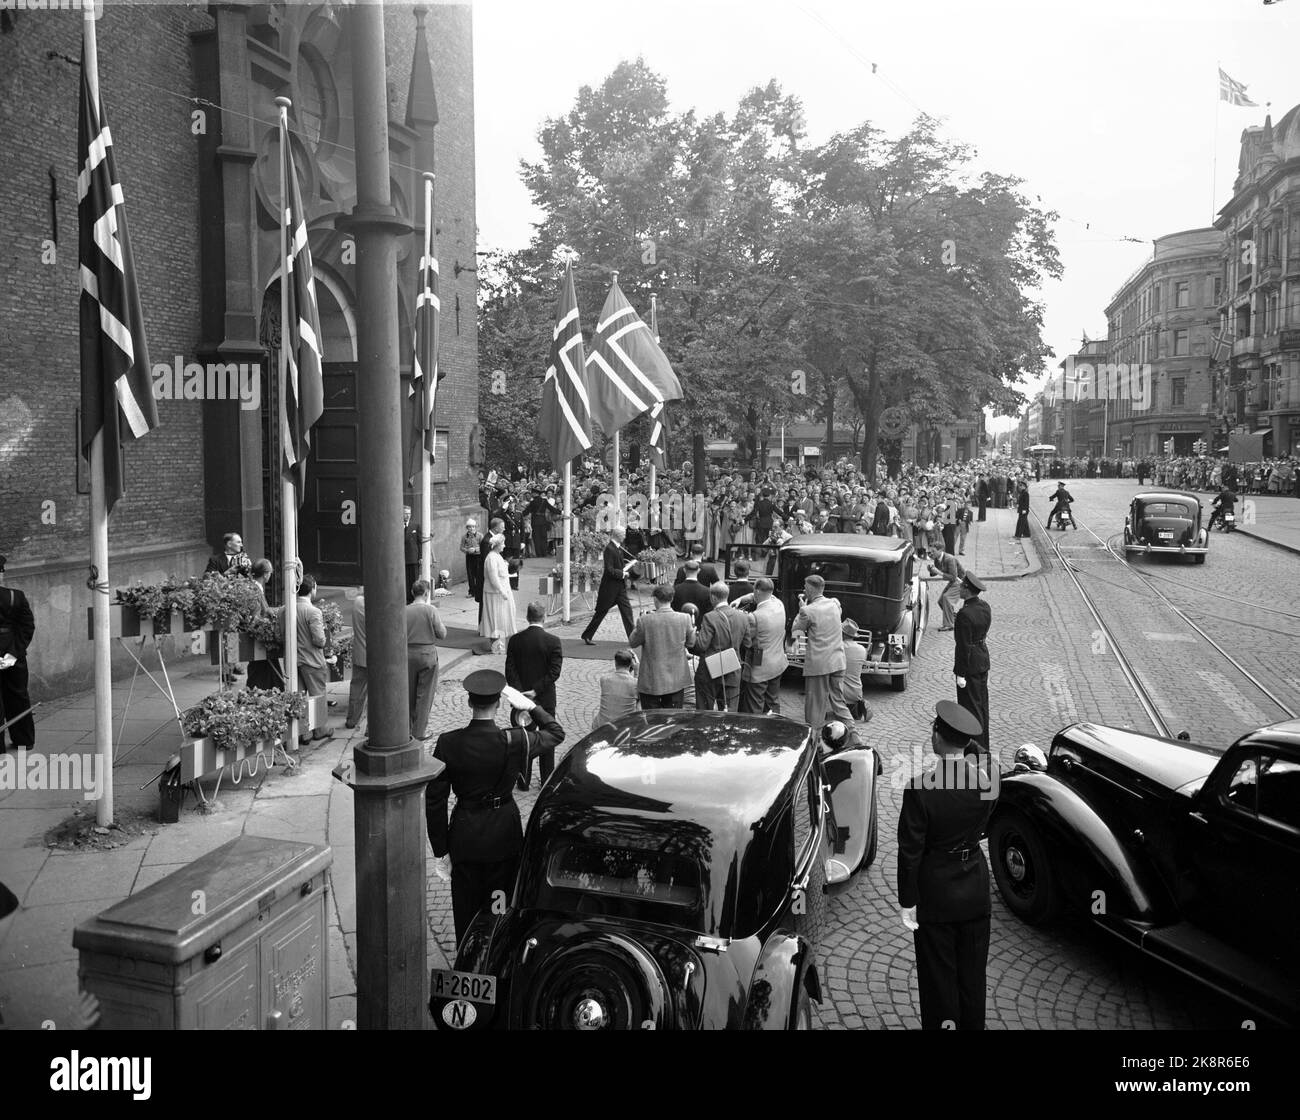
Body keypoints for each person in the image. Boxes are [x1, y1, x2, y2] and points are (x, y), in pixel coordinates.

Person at [425, 670, 565, 945]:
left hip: (465, 836)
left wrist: (441, 850)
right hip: (504, 834)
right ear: (500, 704)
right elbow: (556, 733)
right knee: (499, 908)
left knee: (465, 910)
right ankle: (494, 956)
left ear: (469, 703)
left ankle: (466, 962)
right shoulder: (515, 740)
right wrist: (533, 707)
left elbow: (435, 800)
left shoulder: (448, 743)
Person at [897, 700, 995, 1030]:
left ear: (937, 738)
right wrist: (967, 737)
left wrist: (907, 901)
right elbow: (984, 757)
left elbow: (910, 851)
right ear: (966, 742)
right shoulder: (987, 783)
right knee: (972, 978)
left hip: (936, 895)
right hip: (975, 889)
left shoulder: (919, 789)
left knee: (939, 981)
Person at [505, 601, 563, 789]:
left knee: (523, 740)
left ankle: (523, 780)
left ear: (527, 617)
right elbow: (554, 672)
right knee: (547, 739)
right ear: (544, 617)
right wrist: (536, 690)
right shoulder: (553, 641)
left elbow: (510, 670)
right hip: (545, 698)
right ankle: (547, 779)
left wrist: (521, 693)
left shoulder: (515, 640)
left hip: (521, 698)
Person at [791, 574, 855, 727]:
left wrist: (800, 609)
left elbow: (796, 630)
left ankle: (815, 739)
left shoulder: (807, 610)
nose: (804, 591)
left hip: (819, 665)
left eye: (805, 588)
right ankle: (854, 734)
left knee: (815, 706)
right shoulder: (834, 604)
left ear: (811, 589)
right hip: (838, 661)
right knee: (839, 702)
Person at [629, 584, 695, 708]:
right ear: (672, 599)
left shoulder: (645, 620)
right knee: (672, 720)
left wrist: (639, 622)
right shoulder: (685, 618)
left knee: (652, 719)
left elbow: (633, 642)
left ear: (655, 599)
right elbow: (691, 643)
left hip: (651, 679)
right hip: (676, 679)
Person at [0, 555, 36, 754]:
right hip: (14, 652)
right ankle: (24, 740)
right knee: (18, 696)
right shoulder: (16, 596)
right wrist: (12, 655)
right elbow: (27, 627)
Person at [691, 582, 745, 712]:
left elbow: (701, 646)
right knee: (730, 714)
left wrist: (693, 636)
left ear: (713, 597)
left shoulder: (710, 617)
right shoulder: (742, 616)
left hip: (709, 672)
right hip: (732, 670)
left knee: (705, 713)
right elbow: (747, 643)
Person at [737, 577, 788, 715]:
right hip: (777, 663)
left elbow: (746, 642)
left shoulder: (754, 617)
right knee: (772, 703)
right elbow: (765, 595)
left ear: (757, 592)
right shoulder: (779, 604)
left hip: (759, 667)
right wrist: (743, 598)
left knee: (755, 705)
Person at [953, 573, 991, 753]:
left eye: (962, 587)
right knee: (982, 706)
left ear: (967, 590)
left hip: (969, 666)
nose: (959, 588)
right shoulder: (984, 607)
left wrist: (960, 673)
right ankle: (984, 744)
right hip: (982, 659)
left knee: (970, 708)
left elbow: (963, 646)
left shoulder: (964, 614)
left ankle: (975, 749)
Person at [405, 579, 447, 740]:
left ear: (412, 593)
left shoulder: (404, 610)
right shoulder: (431, 610)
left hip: (408, 654)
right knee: (425, 695)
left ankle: (407, 729)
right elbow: (441, 634)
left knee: (408, 693)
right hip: (427, 654)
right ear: (426, 593)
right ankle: (419, 732)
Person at [580, 525, 636, 646]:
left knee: (627, 612)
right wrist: (623, 573)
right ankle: (587, 635)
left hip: (619, 587)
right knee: (601, 612)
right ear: (619, 535)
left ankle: (633, 638)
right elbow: (609, 570)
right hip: (610, 588)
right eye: (624, 534)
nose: (625, 536)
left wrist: (626, 569)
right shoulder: (610, 549)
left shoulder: (618, 548)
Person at [295, 574, 330, 743]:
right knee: (318, 695)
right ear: (312, 589)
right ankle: (320, 729)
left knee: (300, 697)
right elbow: (319, 640)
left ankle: (303, 734)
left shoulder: (285, 609)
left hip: (294, 661)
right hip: (312, 660)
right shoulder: (314, 611)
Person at [245, 559, 281, 691]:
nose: (270, 575)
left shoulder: (255, 588)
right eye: (270, 573)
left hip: (261, 640)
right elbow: (255, 618)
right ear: (265, 574)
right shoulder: (254, 591)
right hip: (260, 639)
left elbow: (264, 610)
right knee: (259, 672)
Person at [479, 534, 516, 655]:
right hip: (495, 594)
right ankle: (496, 646)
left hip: (502, 593)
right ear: (497, 545)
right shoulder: (491, 558)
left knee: (502, 619)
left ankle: (501, 644)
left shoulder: (497, 556)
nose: (504, 546)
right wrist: (501, 591)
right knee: (495, 619)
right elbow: (493, 578)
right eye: (503, 544)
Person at [592, 649, 641, 729]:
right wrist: (636, 672)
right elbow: (638, 695)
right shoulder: (635, 683)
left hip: (602, 725)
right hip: (624, 727)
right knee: (639, 701)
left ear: (615, 663)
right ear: (631, 664)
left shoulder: (604, 679)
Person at [921, 547, 966, 632]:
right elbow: (935, 573)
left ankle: (949, 625)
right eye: (930, 552)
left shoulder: (950, 559)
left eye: (933, 551)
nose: (931, 554)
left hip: (961, 582)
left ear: (940, 550)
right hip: (954, 581)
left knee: (946, 598)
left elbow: (953, 577)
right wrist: (931, 570)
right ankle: (954, 618)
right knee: (941, 601)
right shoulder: (937, 559)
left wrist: (937, 572)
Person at [840, 619, 872, 722]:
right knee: (854, 713)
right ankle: (860, 703)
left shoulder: (838, 647)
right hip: (856, 691)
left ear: (842, 633)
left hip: (839, 691)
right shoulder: (862, 650)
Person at [344, 591, 367, 729]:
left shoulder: (358, 602)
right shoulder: (381, 606)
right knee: (377, 694)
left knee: (357, 689)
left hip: (360, 653)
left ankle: (352, 720)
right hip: (377, 657)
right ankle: (372, 728)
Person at [460, 518, 484, 602]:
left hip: (478, 556)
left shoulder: (480, 536)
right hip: (469, 557)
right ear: (467, 528)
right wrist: (467, 550)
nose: (472, 529)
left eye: (473, 527)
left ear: (476, 527)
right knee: (470, 575)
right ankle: (471, 591)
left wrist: (476, 549)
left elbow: (484, 547)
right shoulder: (464, 537)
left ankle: (478, 591)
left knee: (478, 574)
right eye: (470, 527)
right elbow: (461, 547)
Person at [403, 506, 421, 603]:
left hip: (413, 558)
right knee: (405, 580)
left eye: (409, 513)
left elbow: (419, 542)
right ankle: (406, 599)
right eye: (405, 513)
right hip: (402, 559)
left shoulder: (416, 525)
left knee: (414, 580)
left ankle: (414, 599)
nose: (407, 515)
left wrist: (420, 557)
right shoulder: (397, 524)